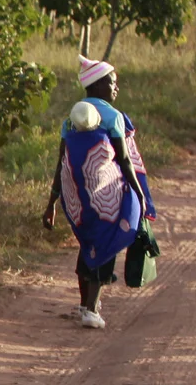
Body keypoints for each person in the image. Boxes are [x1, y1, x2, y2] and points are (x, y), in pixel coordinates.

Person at [41, 57, 153, 330]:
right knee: (106, 246)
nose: (116, 88)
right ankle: (92, 309)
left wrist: (52, 202)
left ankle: (84, 304)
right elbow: (125, 161)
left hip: (78, 199)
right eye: (113, 83)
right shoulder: (112, 117)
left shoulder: (69, 121)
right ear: (98, 84)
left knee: (88, 243)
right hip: (107, 198)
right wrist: (139, 195)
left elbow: (62, 163)